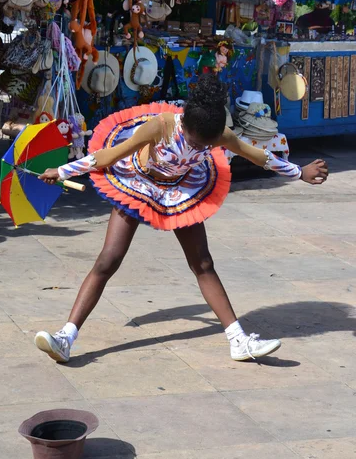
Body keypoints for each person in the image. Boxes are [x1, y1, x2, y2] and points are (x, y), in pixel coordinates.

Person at [35, 75, 328, 363]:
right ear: (184, 124)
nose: (200, 148)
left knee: (202, 263)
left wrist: (299, 172)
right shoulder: (160, 126)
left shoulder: (220, 134)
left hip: (180, 189)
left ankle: (238, 340)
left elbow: (258, 156)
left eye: (206, 146)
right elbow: (108, 156)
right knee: (108, 259)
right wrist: (61, 172)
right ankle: (65, 338)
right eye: (195, 142)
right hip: (138, 182)